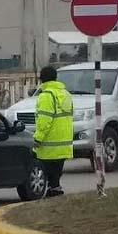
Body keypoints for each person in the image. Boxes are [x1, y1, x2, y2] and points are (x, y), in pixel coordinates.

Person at [33, 66, 74, 197]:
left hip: (49, 142)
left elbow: (45, 121)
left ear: (42, 79)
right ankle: (55, 188)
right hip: (64, 142)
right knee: (57, 169)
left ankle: (53, 189)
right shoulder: (65, 94)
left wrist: (38, 138)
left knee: (46, 168)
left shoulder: (46, 95)